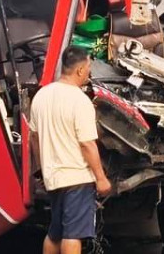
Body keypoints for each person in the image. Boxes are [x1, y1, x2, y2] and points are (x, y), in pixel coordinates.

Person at [28, 46, 113, 254]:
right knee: (72, 235)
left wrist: (42, 168)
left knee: (55, 233)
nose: (89, 72)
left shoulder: (41, 96)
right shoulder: (80, 100)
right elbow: (87, 144)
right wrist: (101, 178)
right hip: (77, 178)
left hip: (53, 178)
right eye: (89, 67)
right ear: (80, 70)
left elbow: (34, 138)